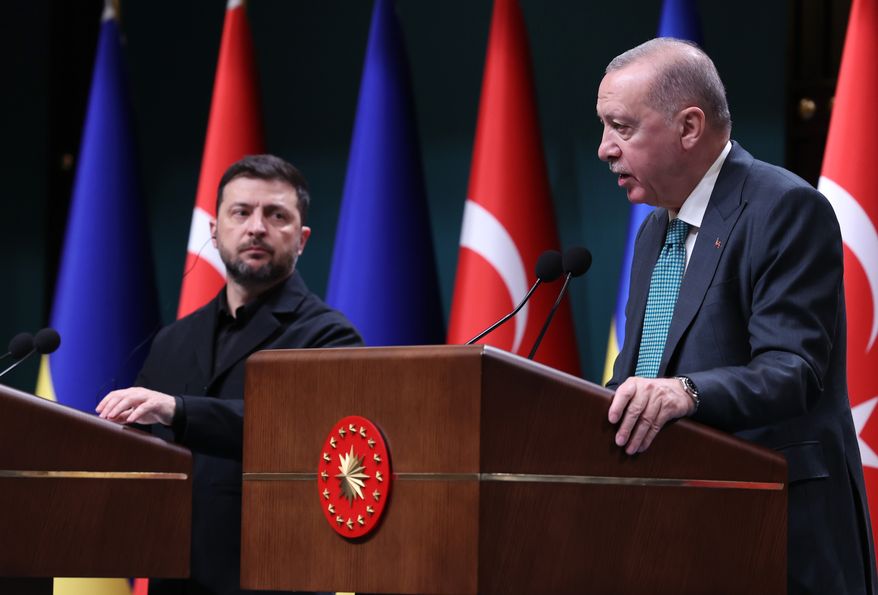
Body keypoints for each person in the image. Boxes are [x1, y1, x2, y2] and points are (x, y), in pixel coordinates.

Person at [598, 38, 876, 593]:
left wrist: (688, 392)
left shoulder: (785, 208)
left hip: (776, 532)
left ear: (690, 127)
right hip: (674, 530)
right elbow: (642, 368)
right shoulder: (656, 229)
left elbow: (793, 369)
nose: (604, 148)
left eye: (621, 127)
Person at [97, 154, 363, 595]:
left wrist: (178, 411)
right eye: (241, 212)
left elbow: (304, 432)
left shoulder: (330, 336)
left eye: (276, 215)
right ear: (215, 231)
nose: (256, 227)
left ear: (302, 239)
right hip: (173, 581)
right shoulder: (173, 342)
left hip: (278, 581)